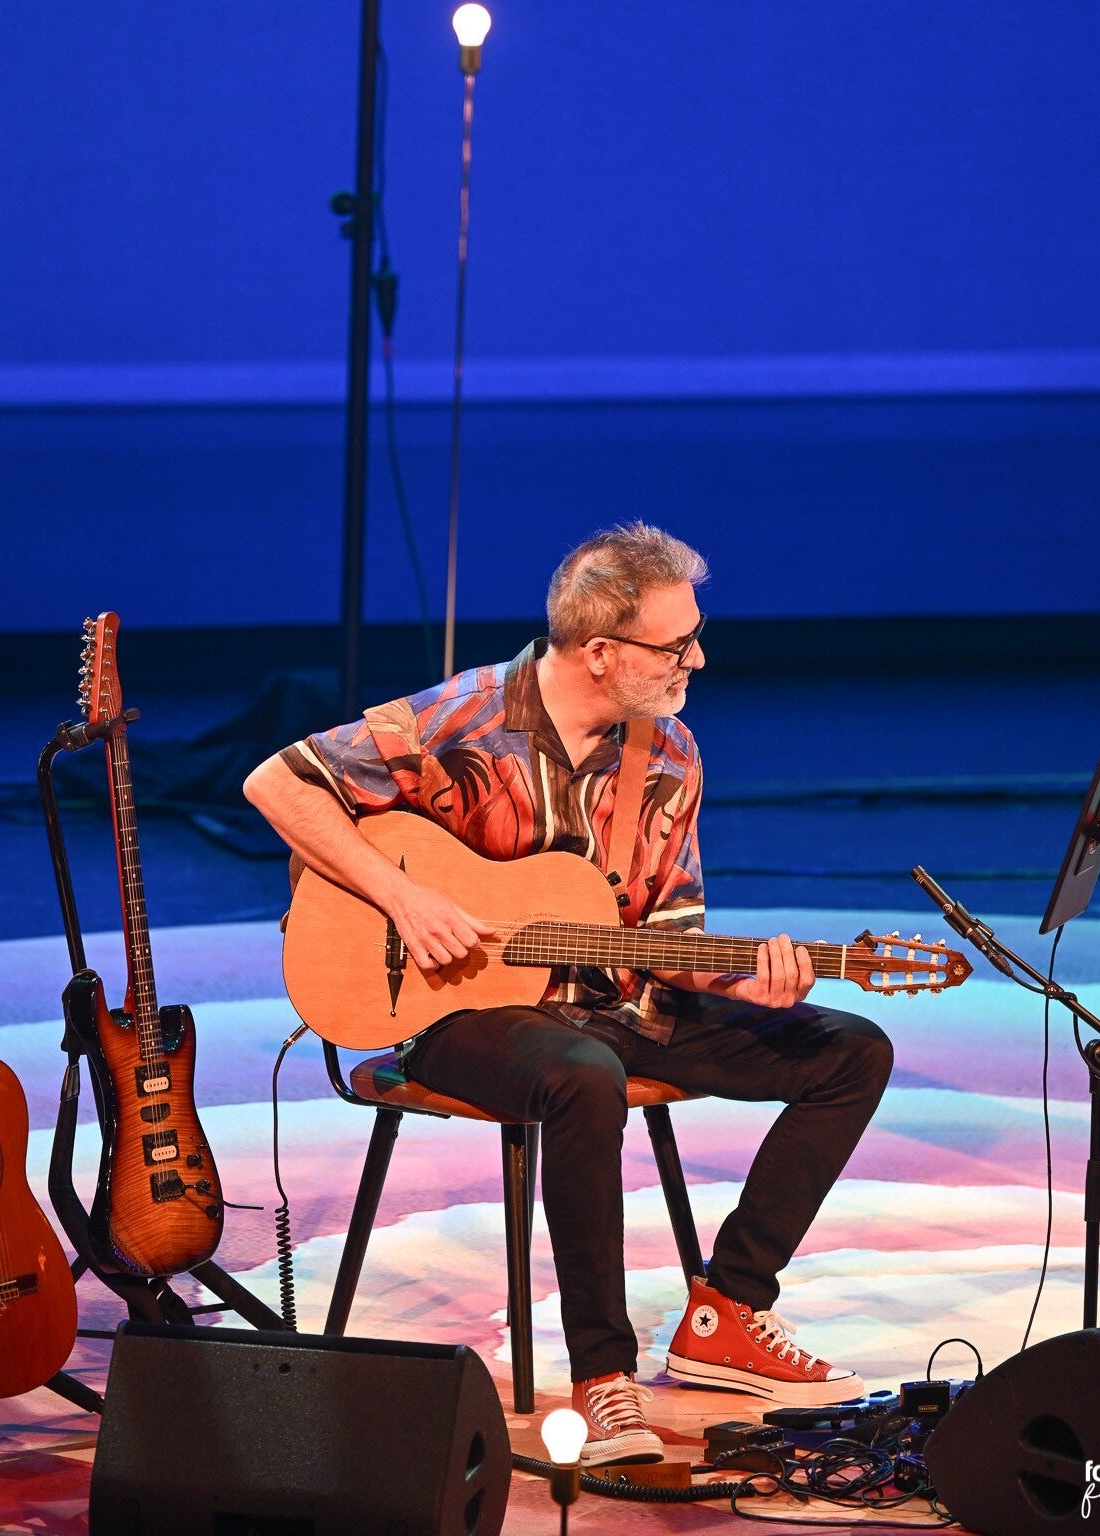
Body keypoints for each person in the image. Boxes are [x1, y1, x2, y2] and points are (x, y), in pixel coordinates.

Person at [244, 524, 893, 1465]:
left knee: (849, 1050)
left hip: (613, 1001)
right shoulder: (462, 717)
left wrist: (744, 977)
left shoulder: (667, 751)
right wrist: (405, 898)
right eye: (676, 645)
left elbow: (668, 936)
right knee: (583, 1075)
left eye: (695, 638)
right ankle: (602, 1376)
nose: (697, 660)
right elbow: (277, 783)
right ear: (598, 652)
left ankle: (727, 1311)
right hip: (453, 1010)